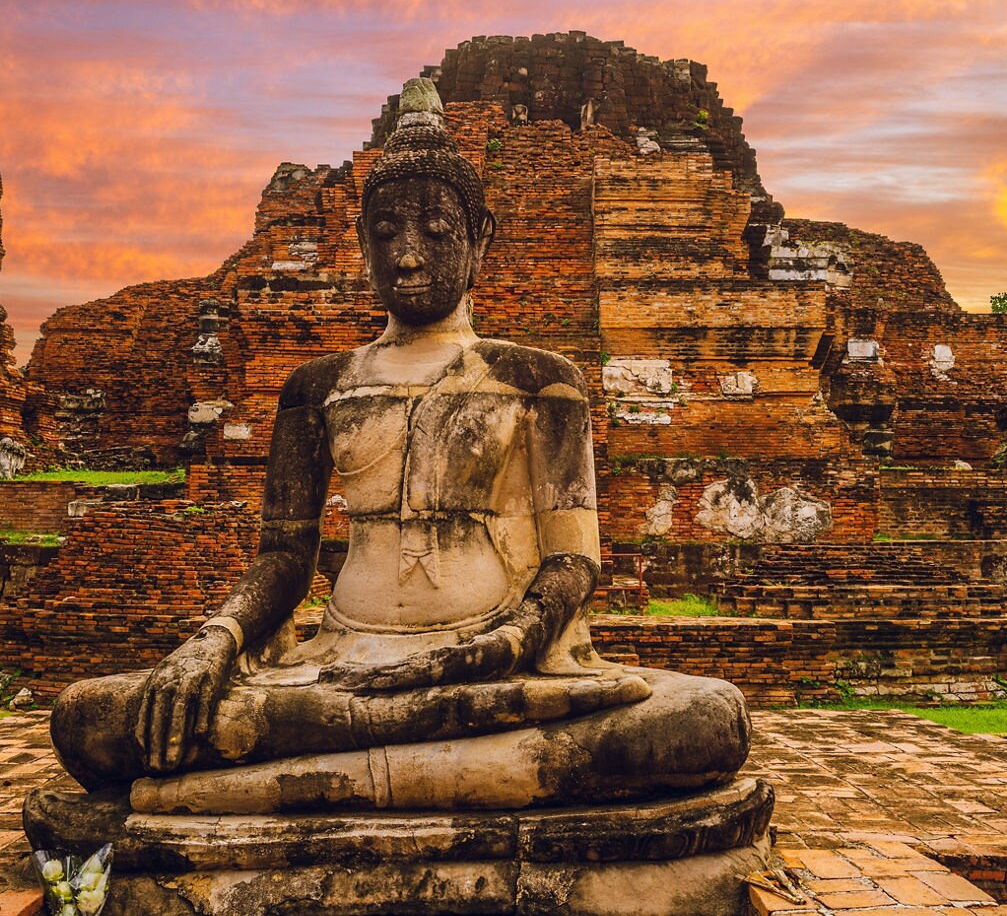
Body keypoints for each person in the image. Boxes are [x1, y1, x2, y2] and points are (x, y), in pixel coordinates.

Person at [37, 80, 750, 817]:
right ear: (361, 242)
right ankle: (455, 771)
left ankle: (281, 784)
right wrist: (214, 639)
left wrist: (507, 642)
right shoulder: (316, 388)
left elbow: (573, 562)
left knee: (703, 719)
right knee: (91, 719)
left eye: (436, 231)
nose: (407, 257)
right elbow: (285, 560)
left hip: (492, 669)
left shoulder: (541, 381)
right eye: (385, 233)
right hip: (342, 670)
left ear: (482, 236)